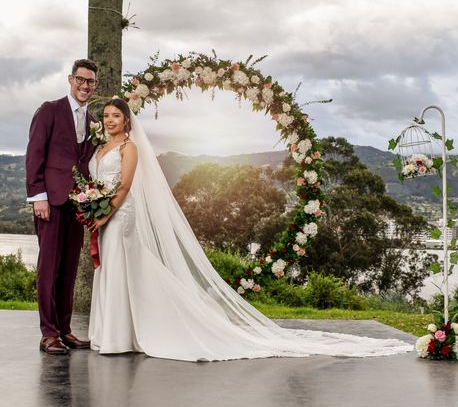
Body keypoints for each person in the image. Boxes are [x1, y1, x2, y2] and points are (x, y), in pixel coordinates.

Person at [86, 98, 413, 362]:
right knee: (110, 269)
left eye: (117, 115)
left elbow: (126, 185)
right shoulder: (100, 149)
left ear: (127, 121)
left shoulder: (129, 148)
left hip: (120, 214)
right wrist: (90, 207)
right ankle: (113, 333)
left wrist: (105, 213)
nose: (111, 120)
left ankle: (121, 336)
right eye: (107, 116)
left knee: (118, 266)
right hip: (102, 215)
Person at [25, 59, 99, 355]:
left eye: (90, 81)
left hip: (77, 205)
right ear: (71, 79)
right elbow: (34, 154)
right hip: (50, 202)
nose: (85, 85)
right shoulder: (50, 110)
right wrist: (38, 196)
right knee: (49, 268)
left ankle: (65, 330)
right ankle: (48, 333)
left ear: (95, 85)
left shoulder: (93, 119)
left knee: (68, 269)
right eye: (80, 79)